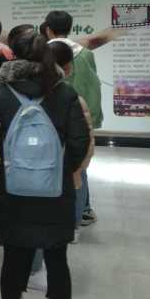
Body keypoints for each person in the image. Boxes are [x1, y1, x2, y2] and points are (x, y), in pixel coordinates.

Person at [0, 32, 89, 299]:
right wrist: (59, 171)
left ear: (13, 56)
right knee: (57, 260)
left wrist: (4, 176)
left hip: (14, 193)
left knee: (13, 261)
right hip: (55, 193)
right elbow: (79, 141)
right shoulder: (64, 92)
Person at [44, 11, 101, 227]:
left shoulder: (43, 52)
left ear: (48, 29)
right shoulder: (85, 54)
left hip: (50, 120)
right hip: (81, 117)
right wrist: (92, 121)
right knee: (79, 169)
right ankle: (79, 216)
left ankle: (59, 217)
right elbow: (94, 88)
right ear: (70, 27)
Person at [49, 41, 96, 243]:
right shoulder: (71, 95)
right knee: (77, 183)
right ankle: (73, 226)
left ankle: (69, 225)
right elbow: (85, 137)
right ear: (68, 67)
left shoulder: (35, 93)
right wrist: (79, 163)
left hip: (49, 162)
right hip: (70, 160)